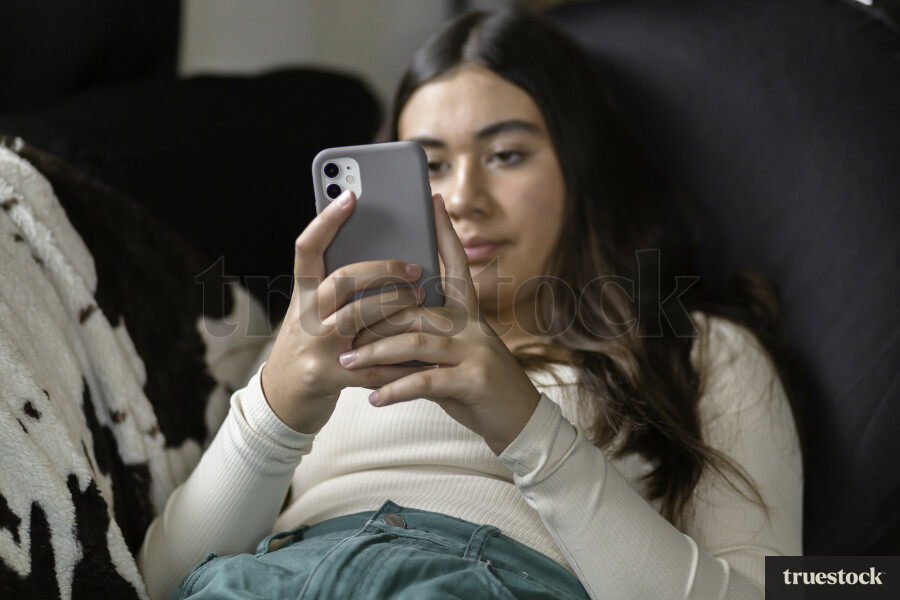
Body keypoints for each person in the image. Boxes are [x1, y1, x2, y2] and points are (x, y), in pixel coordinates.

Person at [137, 8, 802, 600]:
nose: (463, 199)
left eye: (507, 154)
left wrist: (522, 421)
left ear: (583, 169)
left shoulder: (700, 349)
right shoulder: (323, 342)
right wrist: (277, 405)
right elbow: (163, 583)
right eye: (428, 166)